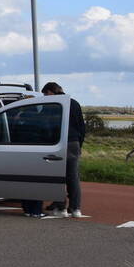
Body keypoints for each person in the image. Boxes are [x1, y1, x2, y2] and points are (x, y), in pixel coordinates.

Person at [42, 81, 86, 218]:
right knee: (73, 177)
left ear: (50, 92)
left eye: (45, 94)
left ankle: (61, 208)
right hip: (74, 142)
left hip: (58, 143)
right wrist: (80, 145)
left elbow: (46, 125)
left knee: (58, 176)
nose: (45, 97)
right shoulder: (74, 103)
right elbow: (82, 127)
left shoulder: (53, 105)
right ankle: (76, 208)